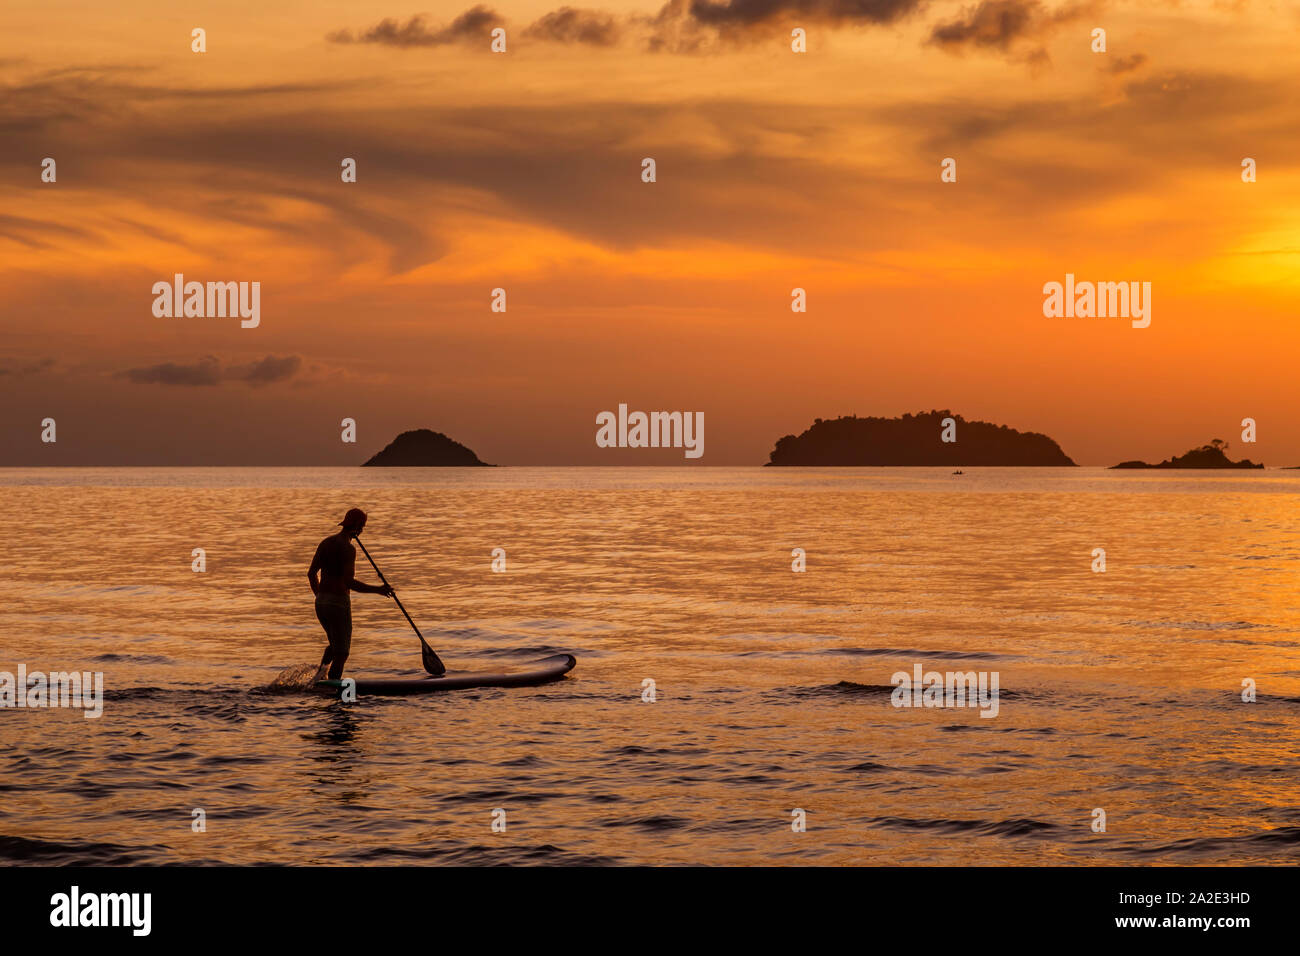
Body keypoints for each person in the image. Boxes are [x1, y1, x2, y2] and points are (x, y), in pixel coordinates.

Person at [309, 508, 393, 681]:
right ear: (357, 526)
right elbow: (349, 583)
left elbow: (311, 574)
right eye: (362, 526)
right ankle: (334, 692)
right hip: (338, 604)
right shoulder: (348, 548)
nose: (362, 530)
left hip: (321, 603)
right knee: (341, 654)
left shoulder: (326, 542)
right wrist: (379, 590)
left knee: (334, 646)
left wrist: (320, 597)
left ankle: (319, 679)